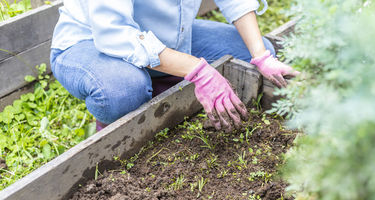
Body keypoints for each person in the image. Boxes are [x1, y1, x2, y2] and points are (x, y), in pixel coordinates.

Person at [50, 0, 298, 132]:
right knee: (123, 91)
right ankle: (113, 132)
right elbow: (113, 32)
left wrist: (260, 56)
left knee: (247, 50)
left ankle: (161, 78)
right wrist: (198, 71)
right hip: (91, 42)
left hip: (162, 37)